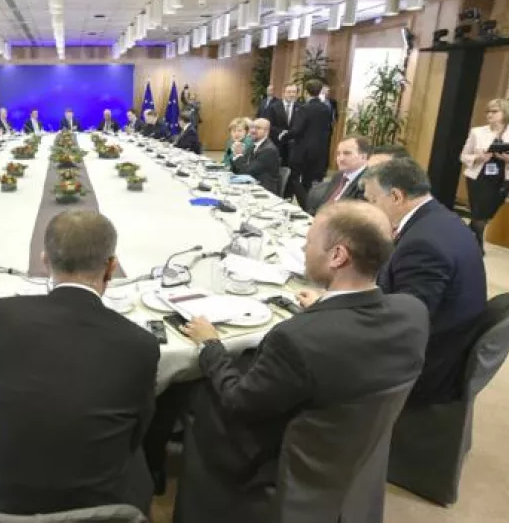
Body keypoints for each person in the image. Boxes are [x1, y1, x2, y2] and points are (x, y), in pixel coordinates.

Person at [174, 200, 428, 523]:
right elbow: (350, 338)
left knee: (196, 394)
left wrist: (210, 344)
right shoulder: (412, 312)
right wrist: (327, 309)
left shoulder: (295, 339)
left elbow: (239, 402)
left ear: (338, 256)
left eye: (308, 242)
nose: (304, 249)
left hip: (283, 460)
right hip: (357, 445)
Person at [0, 210, 158, 516]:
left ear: (44, 260)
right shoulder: (140, 344)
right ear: (111, 265)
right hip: (101, 513)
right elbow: (137, 431)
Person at [355, 158, 487, 406]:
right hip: (447, 338)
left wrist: (341, 305)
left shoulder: (423, 244)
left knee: (316, 349)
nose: (369, 208)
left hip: (429, 364)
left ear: (396, 196)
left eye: (372, 200)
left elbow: (407, 322)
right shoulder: (438, 217)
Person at [460, 98, 509, 249]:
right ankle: (477, 246)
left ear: (505, 113)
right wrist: (478, 157)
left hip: (504, 177)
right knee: (480, 212)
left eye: (494, 111)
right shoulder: (477, 132)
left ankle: (469, 235)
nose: (489, 114)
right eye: (488, 111)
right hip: (479, 177)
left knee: (487, 213)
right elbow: (463, 156)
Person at [288, 80, 334, 208]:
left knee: (295, 179)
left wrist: (285, 135)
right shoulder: (326, 108)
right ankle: (311, 204)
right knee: (311, 181)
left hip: (303, 150)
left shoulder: (304, 108)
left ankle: (305, 205)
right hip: (320, 150)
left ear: (306, 92)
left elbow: (297, 130)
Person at [305, 134, 370, 215]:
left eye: (347, 153)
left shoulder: (367, 181)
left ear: (363, 157)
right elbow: (324, 204)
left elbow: (352, 215)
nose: (340, 158)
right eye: (338, 154)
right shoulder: (339, 176)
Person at [230, 118, 282, 195]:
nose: (253, 131)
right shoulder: (253, 146)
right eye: (252, 127)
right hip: (251, 187)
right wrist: (235, 156)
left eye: (258, 128)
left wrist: (238, 155)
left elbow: (247, 172)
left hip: (264, 192)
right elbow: (238, 170)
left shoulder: (269, 150)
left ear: (266, 131)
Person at [265, 83, 298, 165]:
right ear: (284, 93)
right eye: (289, 92)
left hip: (294, 147)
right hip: (277, 144)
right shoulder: (273, 107)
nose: (291, 94)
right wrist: (282, 132)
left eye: (294, 92)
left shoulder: (300, 108)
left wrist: (291, 133)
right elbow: (269, 125)